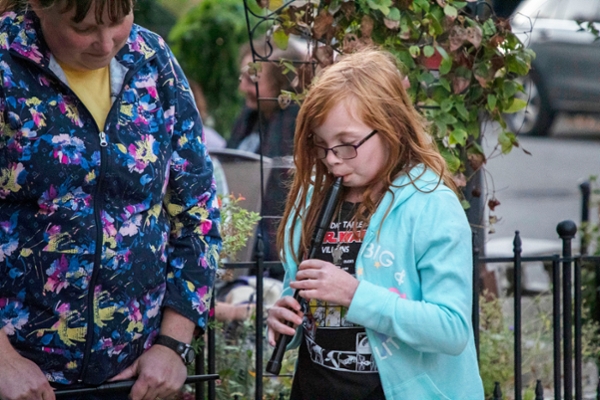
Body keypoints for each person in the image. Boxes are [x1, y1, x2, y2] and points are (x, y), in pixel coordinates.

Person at [0, 1, 221, 400]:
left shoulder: (154, 62)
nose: (106, 44)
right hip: (21, 378)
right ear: (38, 6)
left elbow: (198, 209)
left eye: (119, 20)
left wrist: (174, 344)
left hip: (134, 377)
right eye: (82, 26)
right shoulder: (4, 66)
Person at [266, 48, 484, 399]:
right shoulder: (312, 199)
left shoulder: (431, 205)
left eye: (347, 145)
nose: (332, 160)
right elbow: (307, 305)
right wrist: (283, 323)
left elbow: (452, 328)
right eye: (321, 145)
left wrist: (354, 294)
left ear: (390, 127)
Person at [229, 36, 306, 271]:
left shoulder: (294, 130)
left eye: (252, 80)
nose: (242, 87)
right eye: (242, 77)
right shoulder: (250, 120)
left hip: (273, 259)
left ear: (282, 85)